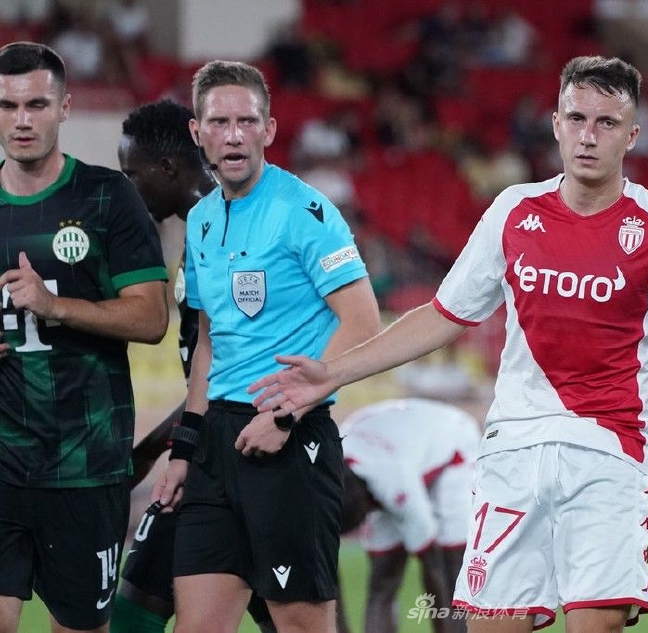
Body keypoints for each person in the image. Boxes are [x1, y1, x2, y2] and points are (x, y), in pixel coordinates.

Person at [250, 55, 648, 632]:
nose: (589, 136)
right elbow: (443, 316)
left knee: (598, 623)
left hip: (609, 451)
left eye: (607, 123)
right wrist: (334, 372)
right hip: (512, 451)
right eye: (577, 118)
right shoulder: (514, 211)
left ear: (632, 136)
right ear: (557, 125)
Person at [150, 60, 380, 633]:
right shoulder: (200, 220)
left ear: (269, 130)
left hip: (289, 434)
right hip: (215, 442)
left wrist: (285, 412)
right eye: (218, 122)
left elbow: (363, 322)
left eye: (247, 121)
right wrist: (184, 448)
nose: (234, 135)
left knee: (300, 623)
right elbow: (208, 342)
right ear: (197, 132)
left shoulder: (305, 212)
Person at [0, 41, 169, 632]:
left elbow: (151, 319)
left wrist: (55, 307)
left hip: (85, 467)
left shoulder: (107, 196)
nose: (22, 120)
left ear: (65, 108)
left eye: (37, 104)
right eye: (8, 106)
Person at [112, 99, 275, 633]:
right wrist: (163, 447)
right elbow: (212, 377)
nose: (127, 189)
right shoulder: (202, 238)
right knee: (134, 609)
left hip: (250, 463)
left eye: (131, 175)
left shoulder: (245, 234)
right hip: (206, 454)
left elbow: (247, 374)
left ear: (167, 169)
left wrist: (151, 452)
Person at [338, 398, 480, 633]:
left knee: (451, 571)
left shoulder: (395, 481)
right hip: (392, 448)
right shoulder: (328, 465)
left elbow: (432, 563)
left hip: (453, 445)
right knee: (383, 577)